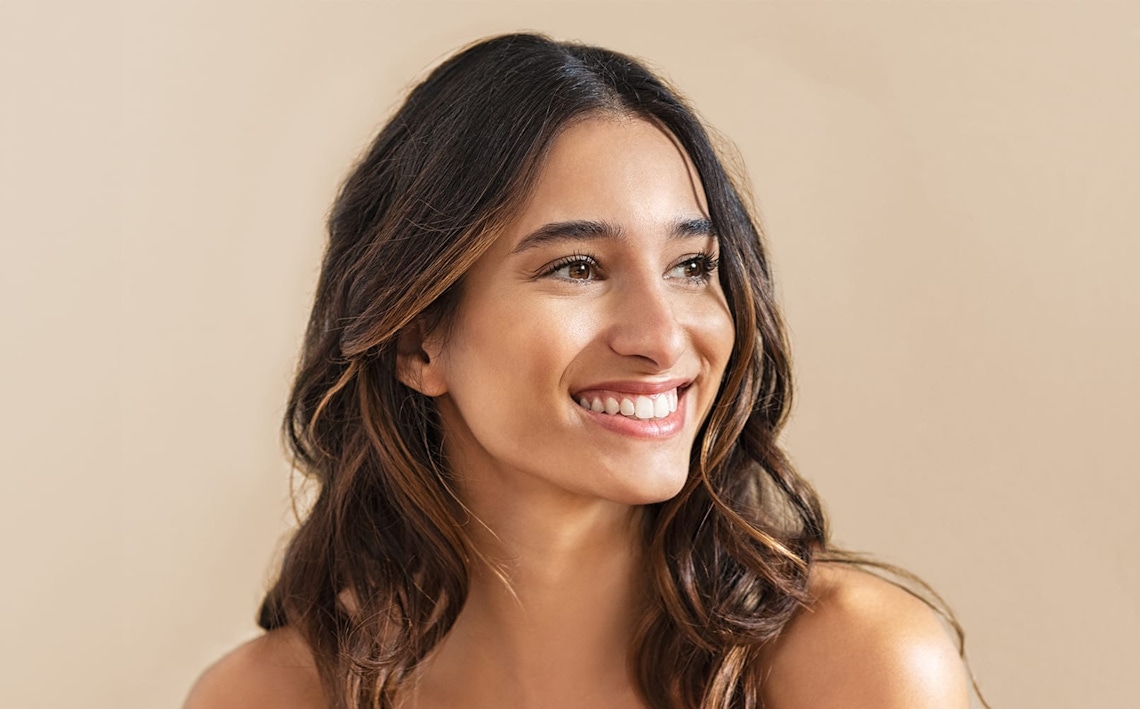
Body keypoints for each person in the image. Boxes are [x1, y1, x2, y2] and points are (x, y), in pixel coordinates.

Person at [186, 33, 980, 709]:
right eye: (576, 267)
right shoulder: (267, 697)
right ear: (419, 340)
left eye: (693, 265)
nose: (662, 336)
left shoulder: (858, 669)